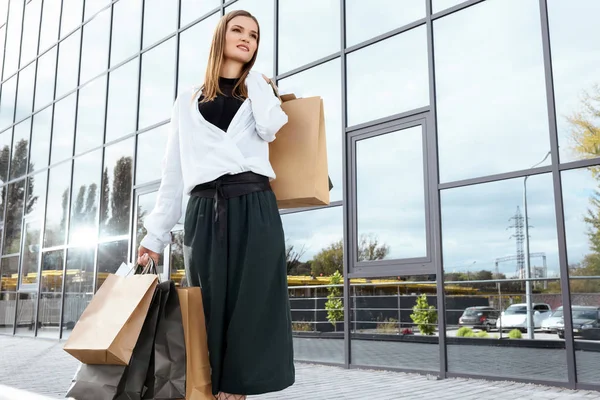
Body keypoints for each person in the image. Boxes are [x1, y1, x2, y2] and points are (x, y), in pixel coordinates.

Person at [137, 10, 295, 400]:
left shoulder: (258, 88)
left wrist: (259, 84)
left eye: (254, 35)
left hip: (254, 204)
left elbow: (271, 128)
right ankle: (208, 389)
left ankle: (235, 391)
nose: (246, 39)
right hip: (204, 209)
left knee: (253, 299)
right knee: (205, 306)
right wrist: (154, 235)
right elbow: (173, 171)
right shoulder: (187, 100)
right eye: (238, 30)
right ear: (219, 37)